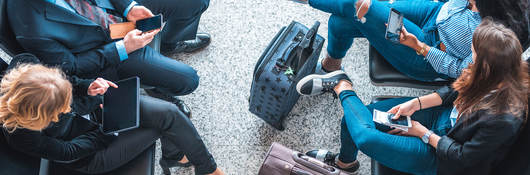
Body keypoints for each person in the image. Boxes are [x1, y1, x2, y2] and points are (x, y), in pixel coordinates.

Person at [295, 18, 528, 175]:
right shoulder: (496, 72)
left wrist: (422, 133)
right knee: (353, 119)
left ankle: (342, 86)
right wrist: (416, 103)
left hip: (443, 155)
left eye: (474, 53)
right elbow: (455, 89)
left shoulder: (504, 119)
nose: (470, 55)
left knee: (365, 137)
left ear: (487, 67)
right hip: (446, 117)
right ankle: (346, 163)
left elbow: (463, 157)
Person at [0, 56, 224, 175]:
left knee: (171, 113)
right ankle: (179, 159)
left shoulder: (26, 64)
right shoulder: (20, 134)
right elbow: (69, 152)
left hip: (98, 110)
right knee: (165, 124)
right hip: (91, 152)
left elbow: (70, 81)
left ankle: (206, 168)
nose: (67, 109)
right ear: (39, 116)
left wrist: (87, 86)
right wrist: (109, 131)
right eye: (60, 111)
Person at [6, 0, 212, 117]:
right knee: (188, 80)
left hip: (115, 9)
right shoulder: (29, 26)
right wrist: (124, 47)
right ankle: (156, 88)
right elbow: (71, 67)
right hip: (105, 48)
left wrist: (128, 7)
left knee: (196, 1)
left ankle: (168, 43)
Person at [294, 0, 524, 82]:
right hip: (433, 13)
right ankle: (331, 67)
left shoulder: (496, 36)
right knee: (339, 23)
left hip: (425, 51)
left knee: (358, 6)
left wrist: (419, 47)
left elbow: (461, 70)